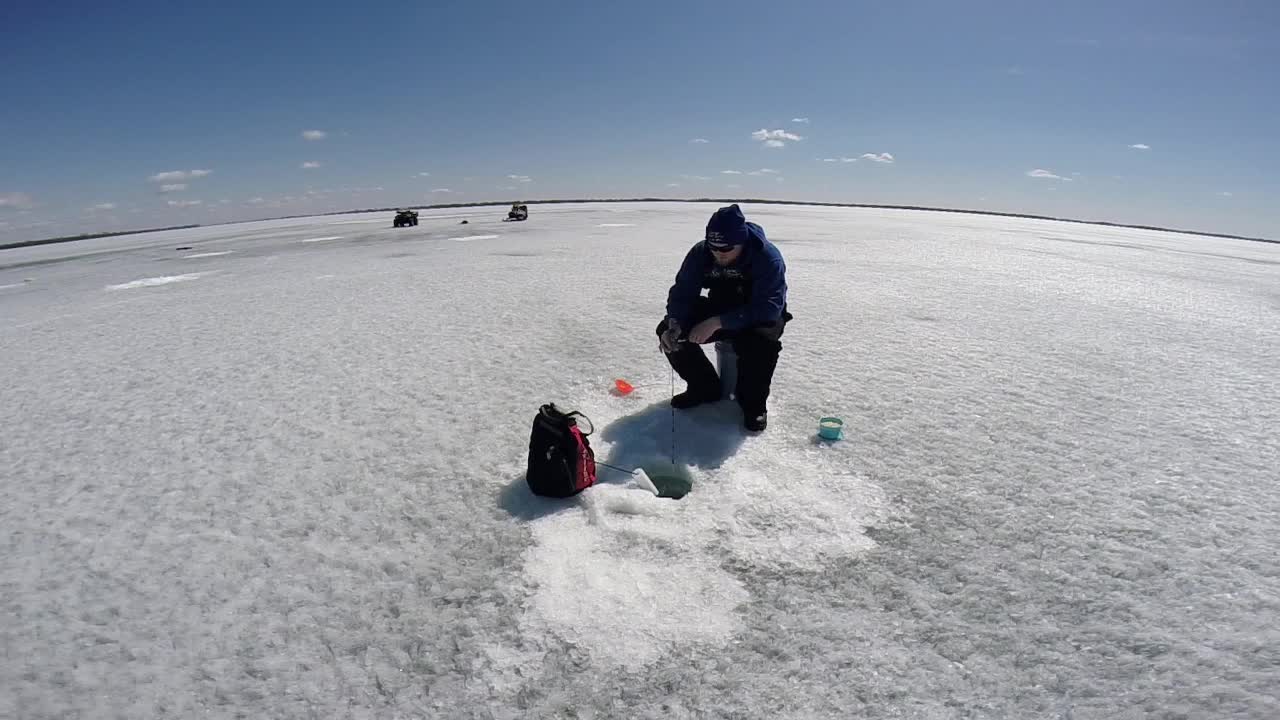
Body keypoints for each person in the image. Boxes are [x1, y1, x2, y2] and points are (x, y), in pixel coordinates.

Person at [656, 204, 792, 432]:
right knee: (670, 332)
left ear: (742, 242)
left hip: (759, 314)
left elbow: (769, 307)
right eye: (714, 247)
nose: (719, 253)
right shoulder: (701, 253)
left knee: (760, 346)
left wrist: (718, 322)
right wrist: (674, 323)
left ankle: (754, 406)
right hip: (721, 304)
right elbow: (682, 292)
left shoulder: (767, 257)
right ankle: (704, 388)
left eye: (727, 248)